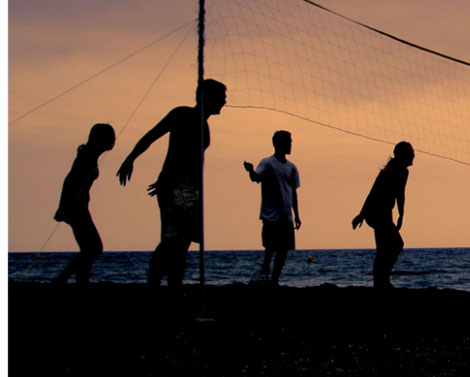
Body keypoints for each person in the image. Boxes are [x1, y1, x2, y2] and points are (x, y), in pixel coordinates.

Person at [116, 79, 227, 286]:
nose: (225, 101)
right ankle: (154, 286)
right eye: (222, 97)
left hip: (190, 189)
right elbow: (152, 135)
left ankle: (174, 287)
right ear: (207, 97)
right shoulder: (182, 114)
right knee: (171, 239)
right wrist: (131, 159)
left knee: (183, 243)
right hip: (177, 187)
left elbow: (194, 161)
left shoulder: (205, 125)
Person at [53, 123, 117, 284]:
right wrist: (64, 206)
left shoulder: (90, 155)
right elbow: (70, 180)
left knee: (89, 249)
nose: (113, 141)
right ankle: (63, 278)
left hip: (79, 208)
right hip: (76, 209)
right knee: (94, 247)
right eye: (111, 138)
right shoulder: (87, 156)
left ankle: (81, 280)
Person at [352, 141, 415, 289]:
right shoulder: (388, 172)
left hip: (385, 212)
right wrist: (361, 214)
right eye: (411, 153)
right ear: (402, 156)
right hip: (376, 212)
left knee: (386, 248)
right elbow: (372, 193)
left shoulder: (404, 172)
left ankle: (381, 281)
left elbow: (400, 194)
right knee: (395, 245)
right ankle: (382, 280)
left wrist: (401, 215)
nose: (413, 156)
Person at [243, 130, 301, 285]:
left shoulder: (292, 168)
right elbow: (257, 178)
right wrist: (250, 171)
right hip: (271, 216)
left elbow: (294, 192)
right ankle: (264, 275)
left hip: (286, 217)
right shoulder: (267, 163)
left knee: (283, 251)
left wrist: (297, 215)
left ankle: (274, 280)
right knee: (270, 249)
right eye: (287, 141)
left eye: (291, 141)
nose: (290, 144)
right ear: (277, 143)